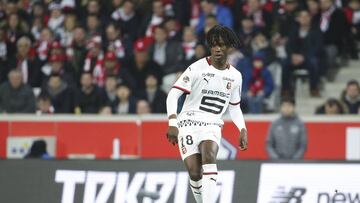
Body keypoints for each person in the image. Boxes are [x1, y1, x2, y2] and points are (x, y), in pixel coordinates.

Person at [166, 25, 248, 203]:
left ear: (229, 47)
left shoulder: (236, 76)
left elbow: (234, 107)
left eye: (221, 45)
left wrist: (242, 128)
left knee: (209, 156)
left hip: (212, 124)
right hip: (188, 123)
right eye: (213, 45)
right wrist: (172, 123)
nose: (217, 49)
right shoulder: (197, 68)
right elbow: (173, 95)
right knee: (195, 173)